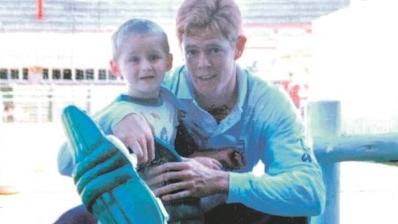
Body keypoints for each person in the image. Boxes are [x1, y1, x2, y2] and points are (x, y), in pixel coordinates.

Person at [59, 0, 326, 223]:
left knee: (290, 214)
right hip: (161, 208)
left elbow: (311, 193)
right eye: (192, 51)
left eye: (214, 50)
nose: (202, 65)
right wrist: (116, 119)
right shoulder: (158, 87)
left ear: (238, 47)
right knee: (75, 220)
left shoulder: (268, 102)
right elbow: (65, 160)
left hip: (224, 208)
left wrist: (222, 182)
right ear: (179, 49)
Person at [56, 18, 223, 224]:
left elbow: (169, 153)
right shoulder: (115, 113)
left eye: (154, 57)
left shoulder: (169, 101)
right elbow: (63, 163)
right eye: (134, 59)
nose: (146, 67)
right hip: (130, 207)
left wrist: (194, 162)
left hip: (169, 200)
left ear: (169, 61)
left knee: (222, 190)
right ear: (116, 67)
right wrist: (112, 124)